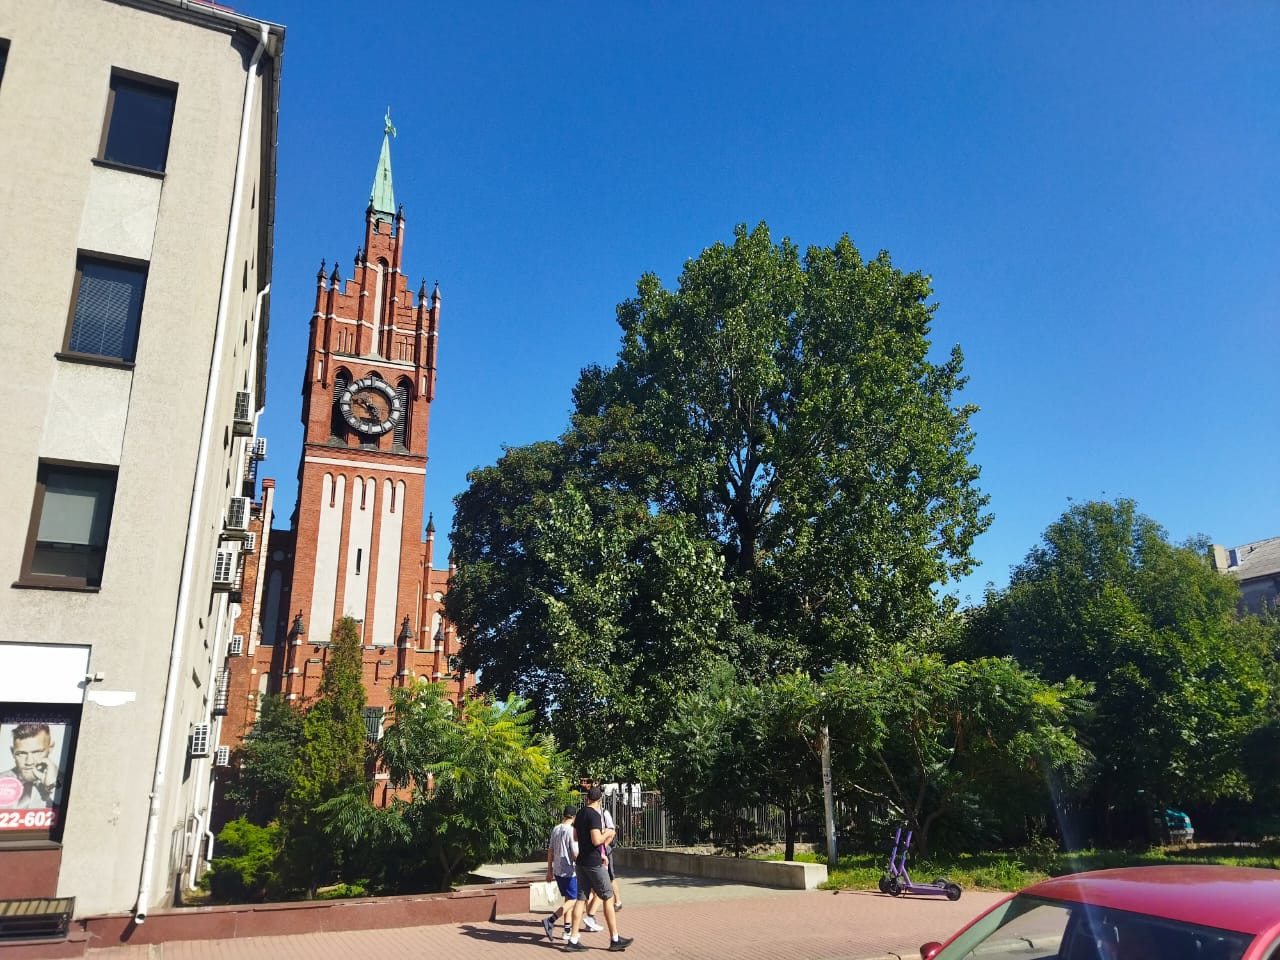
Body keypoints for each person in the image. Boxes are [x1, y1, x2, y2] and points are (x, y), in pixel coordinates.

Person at [566, 786, 632, 952]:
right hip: (593, 863)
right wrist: (608, 833)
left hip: (581, 862)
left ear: (587, 798)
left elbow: (575, 837)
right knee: (608, 897)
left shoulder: (580, 814)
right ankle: (614, 939)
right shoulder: (594, 815)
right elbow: (596, 840)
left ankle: (573, 939)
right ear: (600, 800)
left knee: (581, 899)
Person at [542, 805, 600, 940]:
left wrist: (549, 870)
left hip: (558, 870)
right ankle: (550, 920)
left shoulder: (556, 829)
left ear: (564, 815)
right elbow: (575, 854)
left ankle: (567, 930)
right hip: (569, 871)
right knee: (574, 900)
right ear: (574, 817)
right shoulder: (571, 831)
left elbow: (550, 850)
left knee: (568, 898)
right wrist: (585, 862)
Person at [1, 723, 61, 810]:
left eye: (37, 752)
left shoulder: (69, 782)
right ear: (12, 752)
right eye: (22, 753)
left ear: (50, 748)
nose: (29, 762)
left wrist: (52, 785)